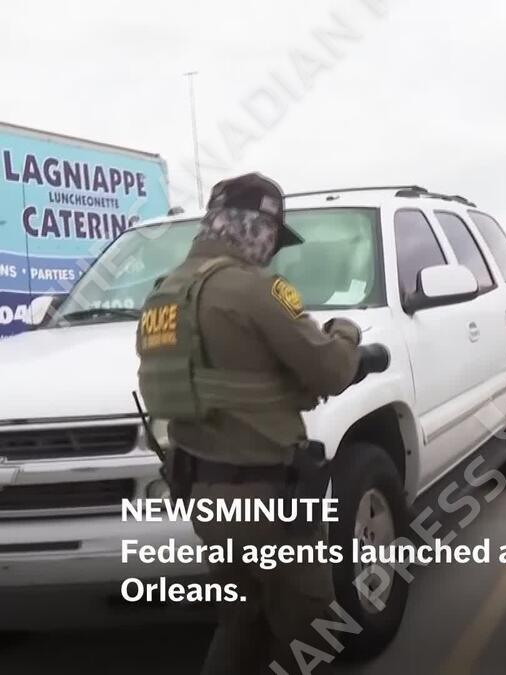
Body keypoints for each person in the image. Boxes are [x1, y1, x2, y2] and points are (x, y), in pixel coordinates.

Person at [135, 173, 366, 675]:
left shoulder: (164, 295)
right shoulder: (257, 290)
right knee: (313, 633)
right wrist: (347, 334)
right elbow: (330, 370)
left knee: (242, 623)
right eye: (273, 239)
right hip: (266, 502)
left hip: (202, 495)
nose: (272, 253)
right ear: (256, 228)